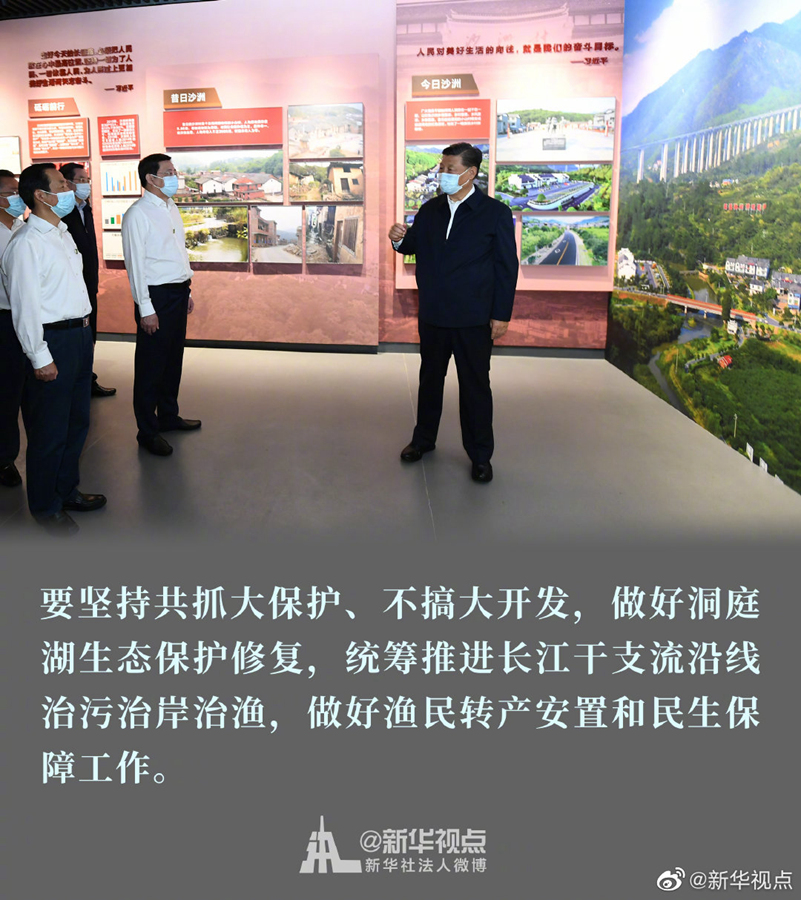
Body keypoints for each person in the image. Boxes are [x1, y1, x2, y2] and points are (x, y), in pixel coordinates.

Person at [389, 142, 518, 483]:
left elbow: (507, 267)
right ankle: (423, 440)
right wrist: (398, 239)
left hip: (474, 319)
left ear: (470, 173)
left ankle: (480, 456)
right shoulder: (430, 210)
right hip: (433, 315)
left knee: (475, 387)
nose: (442, 174)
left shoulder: (494, 213)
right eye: (441, 168)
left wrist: (501, 315)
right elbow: (412, 246)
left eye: (450, 169)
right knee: (429, 381)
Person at [1, 163, 106, 534]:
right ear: (41, 195)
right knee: (49, 430)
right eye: (62, 185)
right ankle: (46, 507)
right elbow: (24, 307)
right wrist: (39, 356)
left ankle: (66, 490)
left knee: (76, 423)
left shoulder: (62, 234)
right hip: (52, 341)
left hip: (78, 337)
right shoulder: (26, 243)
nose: (69, 190)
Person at [122, 153, 200, 457]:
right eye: (168, 172)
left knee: (172, 360)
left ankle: (168, 416)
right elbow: (135, 266)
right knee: (150, 367)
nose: (174, 177)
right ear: (150, 178)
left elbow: (178, 252)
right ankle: (147, 431)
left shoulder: (171, 207)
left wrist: (186, 289)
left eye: (174, 171)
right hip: (155, 297)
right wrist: (146, 309)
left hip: (177, 293)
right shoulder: (137, 214)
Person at [60, 162, 116, 398]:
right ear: (67, 183)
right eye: (81, 180)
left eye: (87, 180)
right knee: (74, 339)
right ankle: (74, 384)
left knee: (90, 334)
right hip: (71, 286)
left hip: (89, 284)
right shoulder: (63, 213)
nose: (86, 184)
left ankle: (87, 380)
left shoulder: (86, 209)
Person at [0, 170, 27, 488]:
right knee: (6, 392)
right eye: (11, 192)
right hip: (4, 319)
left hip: (27, 316)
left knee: (27, 389)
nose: (18, 197)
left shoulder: (23, 228)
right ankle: (5, 457)